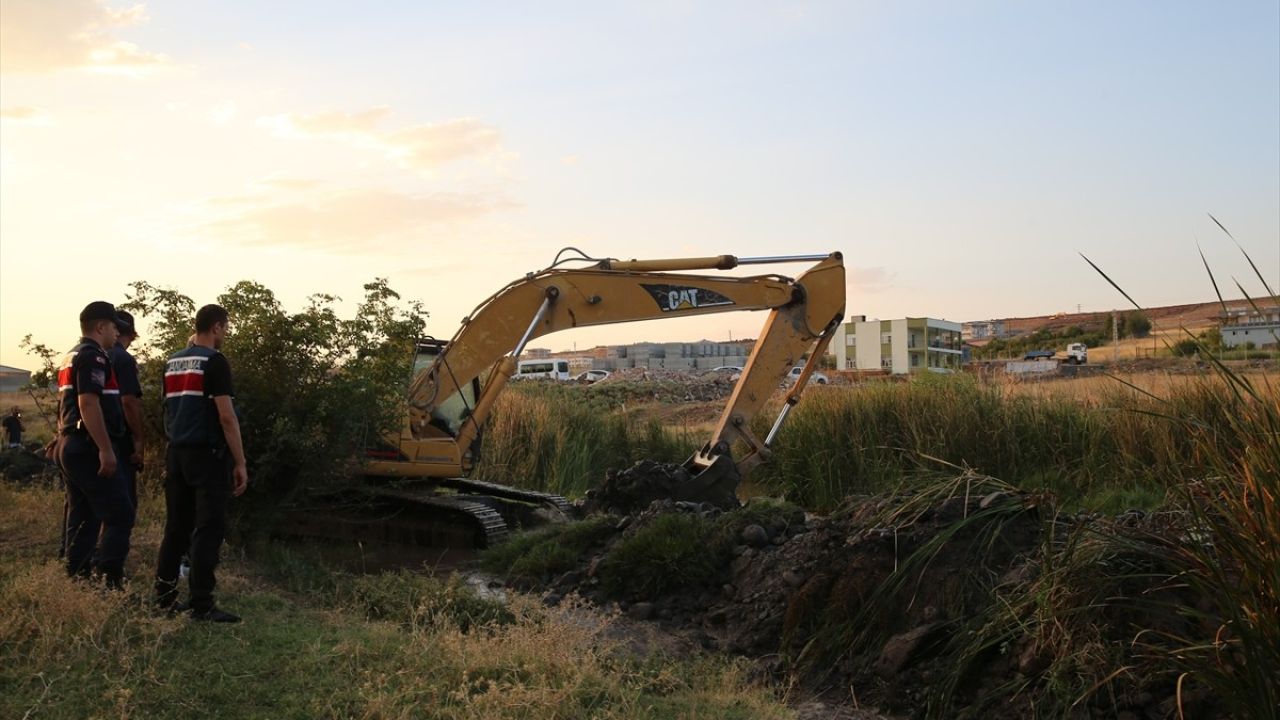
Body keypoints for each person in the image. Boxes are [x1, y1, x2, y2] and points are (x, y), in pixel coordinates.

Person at [155, 304, 248, 623]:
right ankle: (202, 604)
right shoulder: (216, 362)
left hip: (176, 453)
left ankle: (164, 600)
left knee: (176, 529)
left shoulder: (172, 361)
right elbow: (226, 416)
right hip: (207, 456)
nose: (226, 334)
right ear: (217, 327)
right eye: (226, 328)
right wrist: (241, 462)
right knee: (208, 528)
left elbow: (167, 409)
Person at [55, 301, 135, 588]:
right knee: (121, 514)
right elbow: (87, 403)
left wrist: (60, 437)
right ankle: (110, 583)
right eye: (114, 326)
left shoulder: (71, 356)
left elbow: (65, 402)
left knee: (83, 515)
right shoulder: (94, 356)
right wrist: (105, 448)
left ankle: (76, 579)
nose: (117, 333)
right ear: (100, 327)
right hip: (88, 445)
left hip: (70, 442)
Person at [104, 311, 145, 505]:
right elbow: (128, 402)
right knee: (122, 509)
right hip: (119, 441)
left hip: (91, 439)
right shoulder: (124, 359)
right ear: (131, 334)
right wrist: (138, 439)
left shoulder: (90, 354)